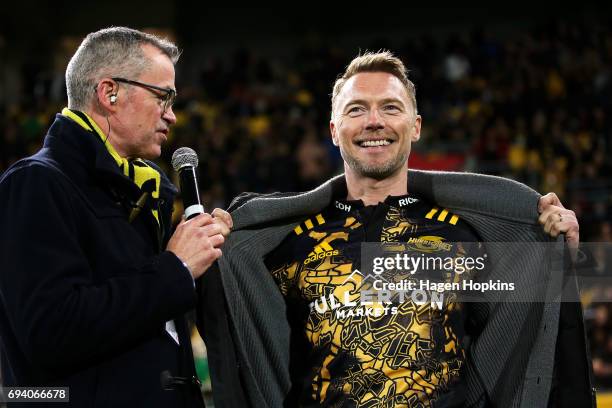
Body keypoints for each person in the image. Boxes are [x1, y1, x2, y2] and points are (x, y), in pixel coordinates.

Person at [197, 51, 594, 407]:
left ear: (415, 126)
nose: (374, 122)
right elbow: (235, 331)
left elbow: (531, 324)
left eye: (390, 107)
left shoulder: (464, 238)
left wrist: (561, 255)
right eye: (356, 110)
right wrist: (217, 245)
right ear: (334, 130)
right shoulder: (284, 245)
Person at [0, 27, 231, 407]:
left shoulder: (134, 190)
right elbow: (50, 333)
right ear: (110, 93)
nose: (172, 115)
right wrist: (175, 267)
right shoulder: (37, 183)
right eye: (163, 97)